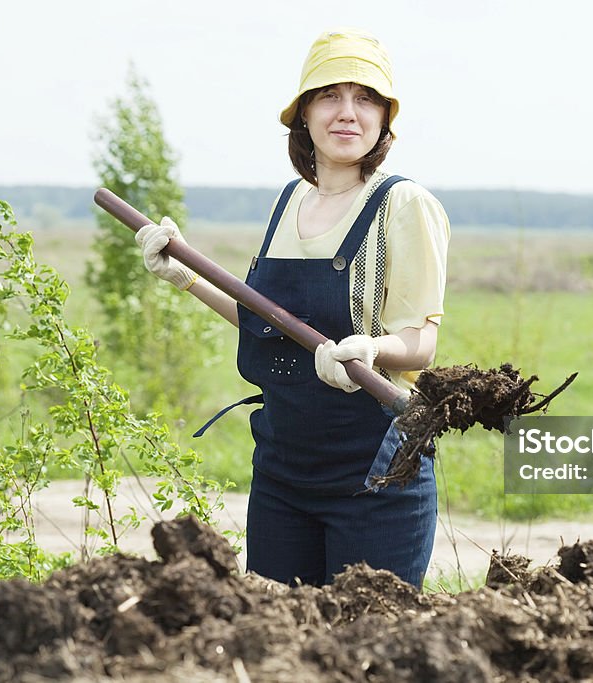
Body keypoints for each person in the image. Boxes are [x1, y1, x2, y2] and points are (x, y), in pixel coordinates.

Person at [135, 28, 450, 589]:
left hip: (377, 478)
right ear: (303, 113)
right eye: (330, 95)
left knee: (365, 653)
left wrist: (372, 348)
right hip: (283, 471)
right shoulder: (289, 201)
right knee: (277, 645)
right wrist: (185, 277)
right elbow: (267, 325)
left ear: (385, 117)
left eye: (366, 98)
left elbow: (420, 341)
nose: (347, 113)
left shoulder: (402, 204)